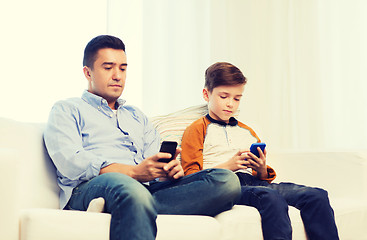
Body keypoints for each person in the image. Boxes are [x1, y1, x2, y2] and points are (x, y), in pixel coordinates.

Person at [43, 36, 241, 240]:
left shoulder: (136, 116)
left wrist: (166, 170)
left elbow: (153, 161)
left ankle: (131, 207)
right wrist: (133, 172)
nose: (117, 75)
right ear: (88, 72)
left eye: (122, 68)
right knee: (127, 186)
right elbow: (71, 162)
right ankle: (131, 202)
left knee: (225, 181)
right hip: (93, 187)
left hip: (145, 189)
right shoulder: (67, 109)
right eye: (108, 67)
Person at [180, 62, 339, 240]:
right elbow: (191, 177)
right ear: (206, 94)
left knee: (317, 195)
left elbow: (261, 175)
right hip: (226, 186)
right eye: (224, 96)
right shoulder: (196, 129)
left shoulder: (247, 131)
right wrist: (228, 166)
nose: (230, 104)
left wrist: (262, 168)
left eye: (237, 98)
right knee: (271, 197)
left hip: (256, 182)